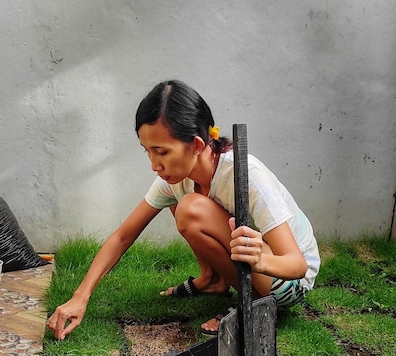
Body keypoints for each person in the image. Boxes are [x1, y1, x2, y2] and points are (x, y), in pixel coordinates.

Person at [48, 80, 320, 340]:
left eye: (162, 152)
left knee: (190, 208)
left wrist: (261, 261)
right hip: (255, 264)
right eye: (147, 151)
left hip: (287, 283)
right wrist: (80, 297)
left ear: (197, 145)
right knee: (181, 202)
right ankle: (212, 280)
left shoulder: (244, 175)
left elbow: (297, 265)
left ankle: (252, 302)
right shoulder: (175, 179)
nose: (154, 164)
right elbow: (123, 236)